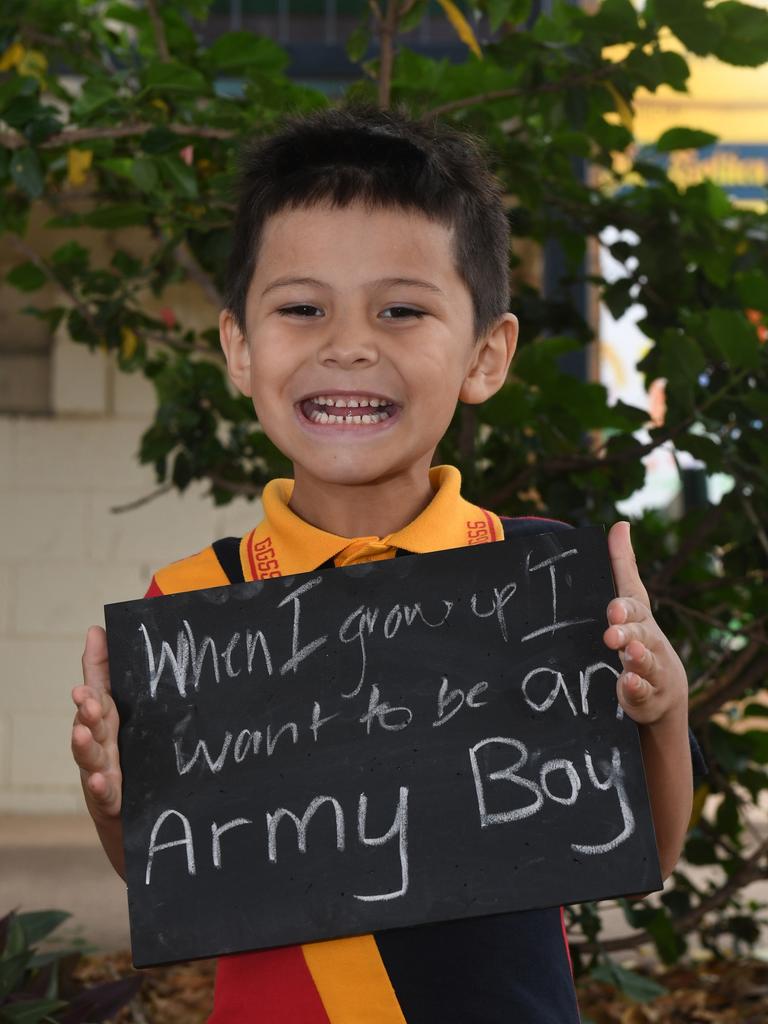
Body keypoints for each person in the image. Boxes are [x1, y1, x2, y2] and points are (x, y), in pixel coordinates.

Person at [71, 106, 695, 1024]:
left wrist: (665, 707)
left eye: (401, 309)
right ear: (239, 349)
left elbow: (651, 848)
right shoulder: (192, 609)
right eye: (301, 308)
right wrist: (113, 798)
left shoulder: (543, 579)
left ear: (487, 354)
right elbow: (170, 867)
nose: (349, 343)